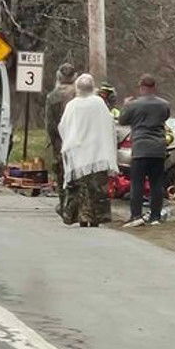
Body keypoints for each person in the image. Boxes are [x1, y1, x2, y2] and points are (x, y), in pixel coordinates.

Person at [57, 74, 118, 227]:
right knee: (96, 188)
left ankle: (81, 217)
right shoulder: (99, 103)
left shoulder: (72, 105)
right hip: (97, 152)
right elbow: (109, 125)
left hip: (79, 154)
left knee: (80, 188)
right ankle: (96, 217)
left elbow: (63, 126)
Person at [118, 74, 172, 227]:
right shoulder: (164, 104)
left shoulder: (133, 105)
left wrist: (125, 105)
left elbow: (122, 120)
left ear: (141, 87)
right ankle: (155, 217)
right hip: (158, 148)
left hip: (140, 148)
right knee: (156, 183)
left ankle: (136, 215)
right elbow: (165, 118)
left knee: (137, 183)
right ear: (154, 87)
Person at [45, 62, 77, 213]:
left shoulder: (53, 96)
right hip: (80, 140)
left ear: (59, 76)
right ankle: (77, 204)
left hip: (61, 140)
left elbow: (50, 124)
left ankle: (64, 203)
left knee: (62, 172)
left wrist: (53, 141)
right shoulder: (81, 94)